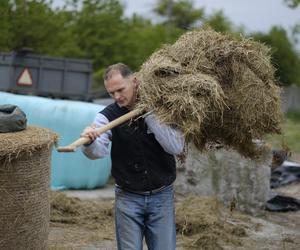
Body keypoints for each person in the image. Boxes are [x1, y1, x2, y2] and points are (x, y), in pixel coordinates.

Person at [81, 63, 185, 250]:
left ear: (135, 81)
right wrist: (89, 141)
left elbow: (176, 147)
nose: (117, 97)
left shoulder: (162, 107)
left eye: (120, 90)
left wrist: (150, 114)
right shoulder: (107, 116)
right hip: (128, 198)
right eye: (111, 93)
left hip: (162, 195)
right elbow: (98, 152)